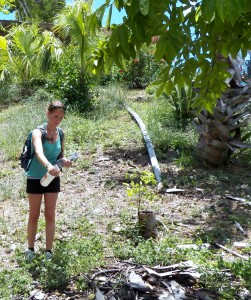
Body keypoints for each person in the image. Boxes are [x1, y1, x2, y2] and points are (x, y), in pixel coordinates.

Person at [25, 100, 72, 260]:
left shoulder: (61, 133)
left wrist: (64, 162)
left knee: (50, 215)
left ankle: (48, 251)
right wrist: (48, 166)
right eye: (54, 116)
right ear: (48, 114)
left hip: (53, 176)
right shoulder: (38, 132)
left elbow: (60, 155)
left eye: (60, 117)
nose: (57, 120)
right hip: (35, 177)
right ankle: (30, 249)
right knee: (34, 214)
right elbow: (38, 152)